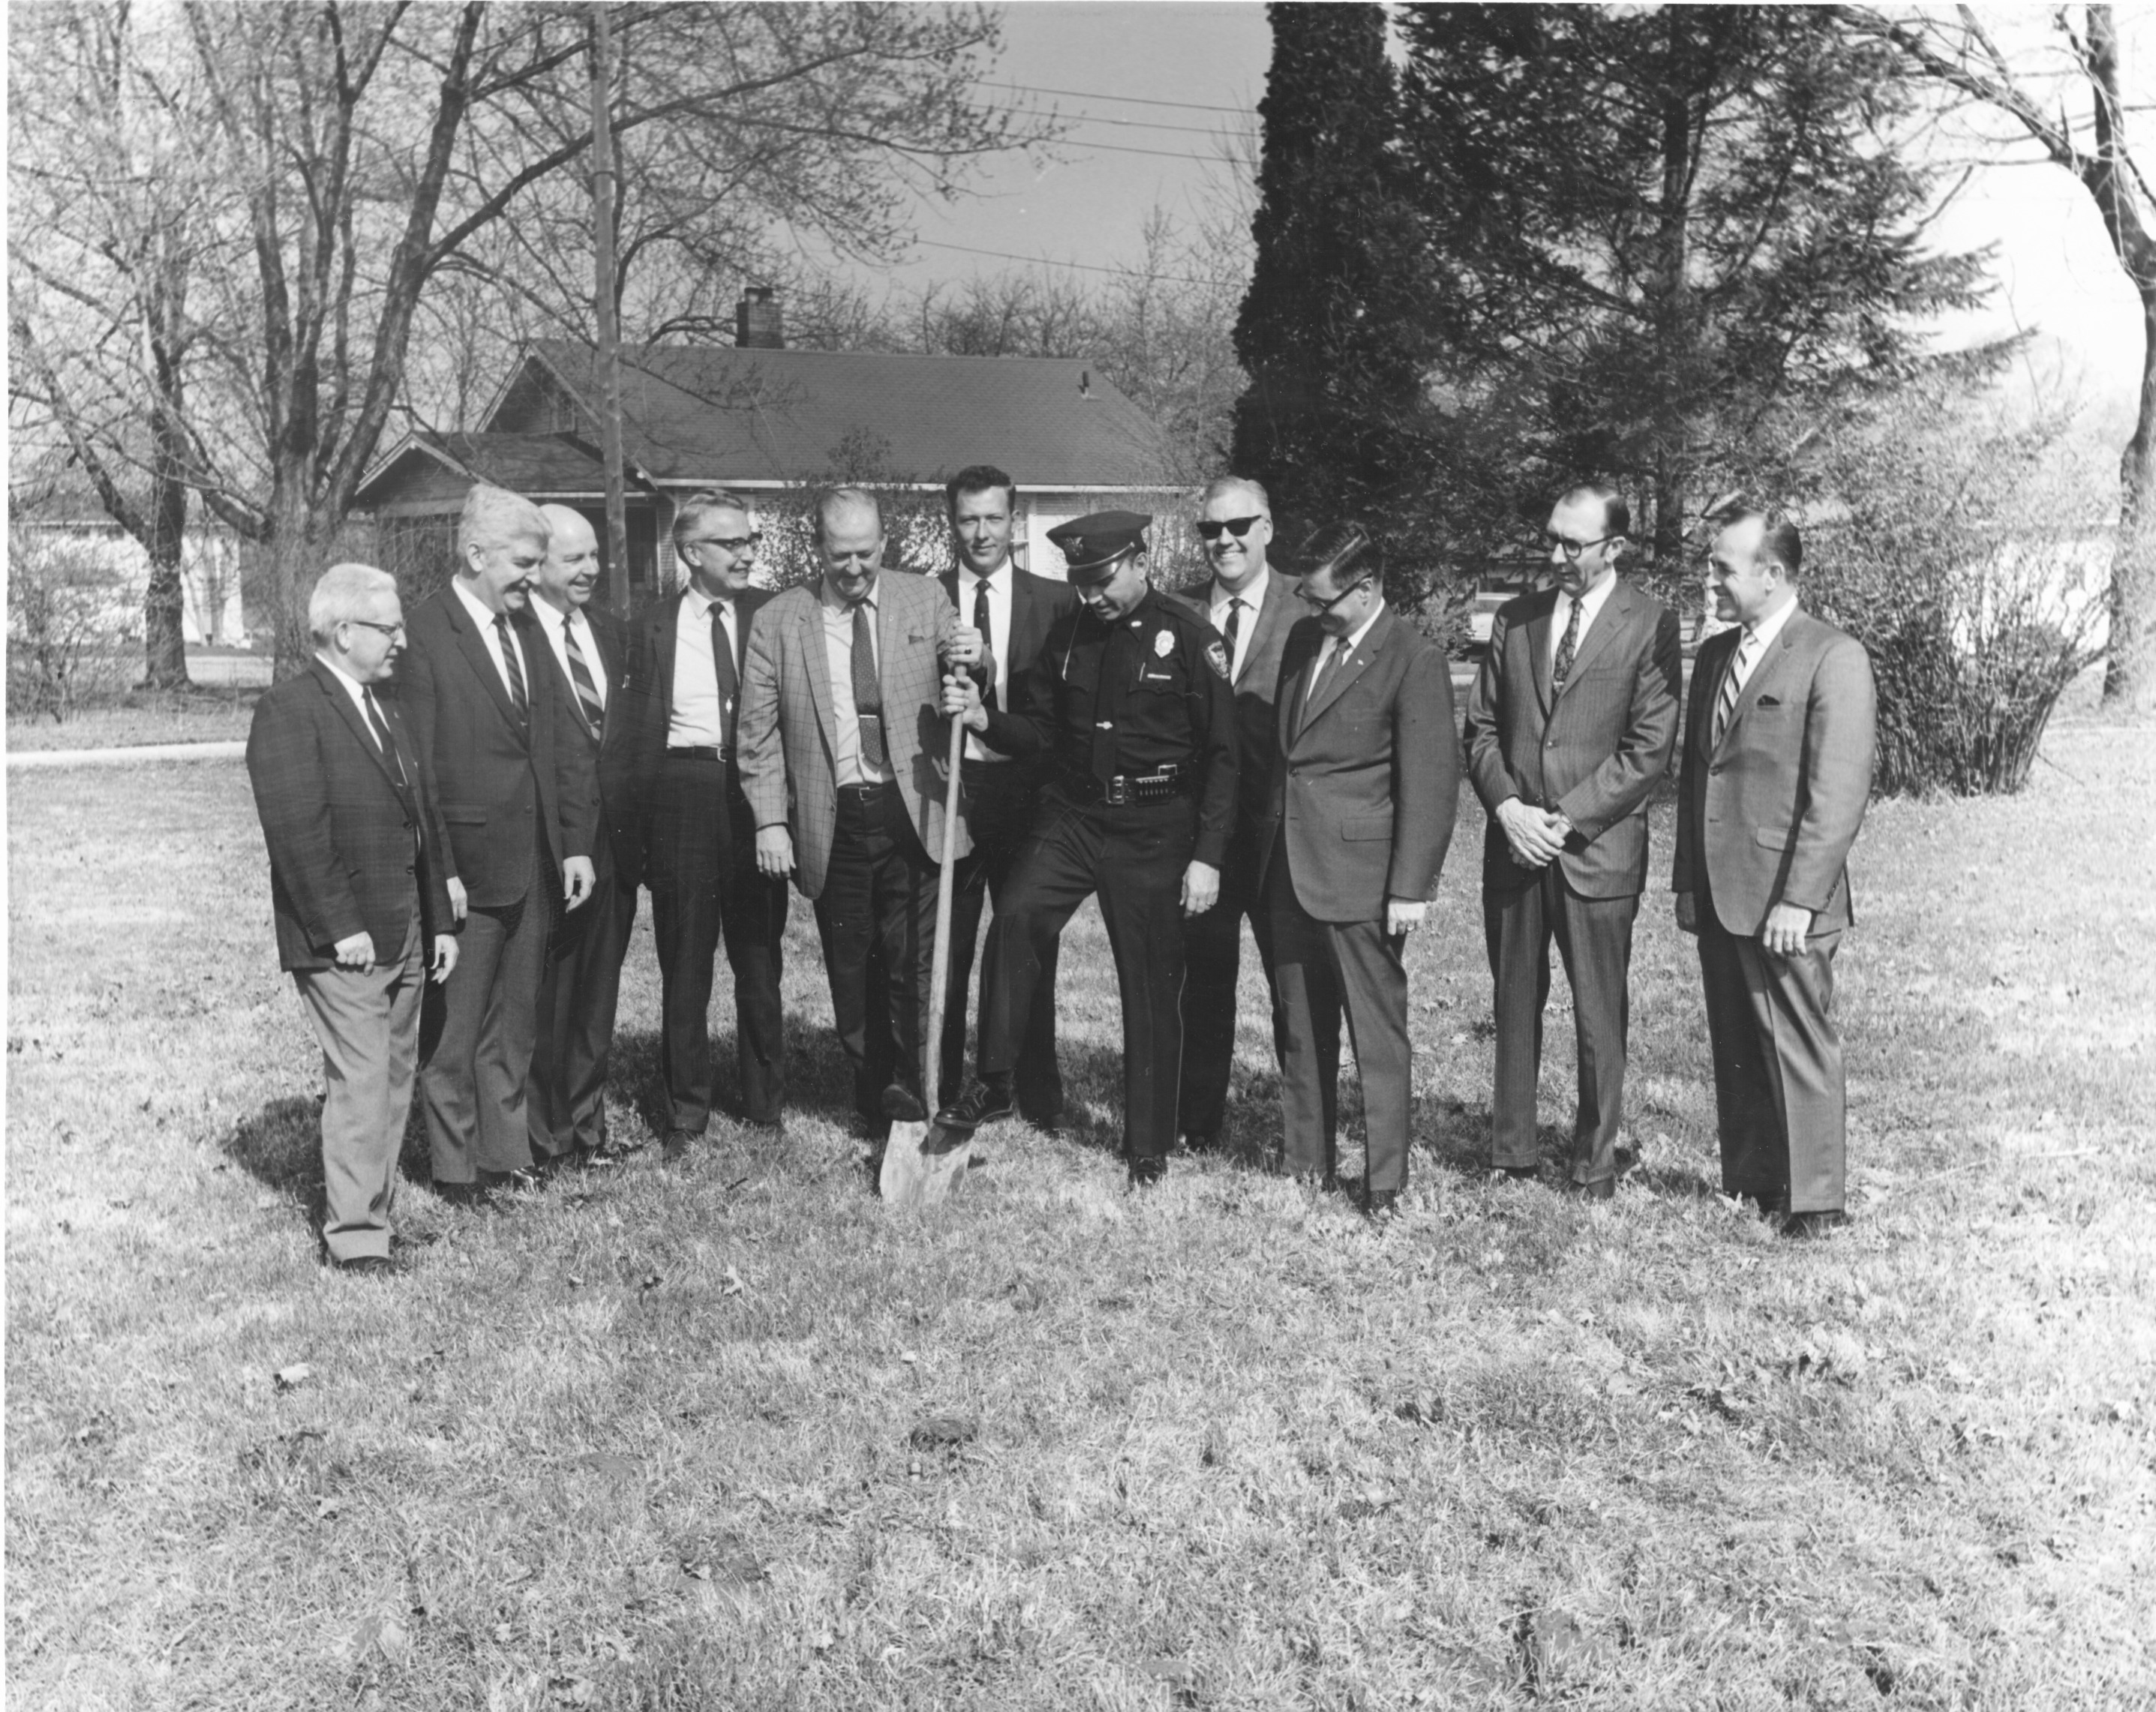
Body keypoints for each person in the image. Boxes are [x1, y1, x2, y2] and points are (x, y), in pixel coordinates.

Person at [938, 511, 1238, 1188]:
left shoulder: (1190, 637)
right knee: (1016, 914)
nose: (1092, 595)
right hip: (1075, 814)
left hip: (1155, 826)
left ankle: (1147, 1145)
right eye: (1081, 582)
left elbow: (1224, 755)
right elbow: (1040, 733)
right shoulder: (1069, 633)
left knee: (1148, 981)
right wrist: (985, 718)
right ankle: (995, 1080)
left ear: (1140, 563)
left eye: (1102, 580)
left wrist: (1209, 855)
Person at [1461, 482, 1681, 1197]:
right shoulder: (1516, 619)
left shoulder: (1651, 623)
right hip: (1515, 847)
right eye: (1551, 538)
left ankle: (1594, 1164)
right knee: (1514, 1001)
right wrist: (1509, 811)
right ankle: (1512, 1153)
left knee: (1598, 1012)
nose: (1555, 555)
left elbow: (1647, 751)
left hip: (1596, 851)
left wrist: (1564, 819)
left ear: (1614, 547)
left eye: (1572, 544)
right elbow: (1481, 729)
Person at [737, 486, 974, 1137]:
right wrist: (770, 820)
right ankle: (874, 1095)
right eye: (840, 554)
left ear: (884, 544)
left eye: (866, 553)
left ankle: (919, 1092)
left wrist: (972, 661)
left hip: (913, 808)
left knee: (913, 961)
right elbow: (756, 735)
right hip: (834, 815)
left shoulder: (924, 598)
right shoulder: (779, 621)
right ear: (818, 548)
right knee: (852, 966)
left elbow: (966, 671)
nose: (854, 568)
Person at [245, 563, 459, 1271]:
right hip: (346, 941)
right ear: (343, 632)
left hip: (404, 931)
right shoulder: (289, 710)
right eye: (388, 628)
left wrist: (439, 922)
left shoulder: (387, 705)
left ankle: (376, 1213)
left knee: (393, 1077)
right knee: (363, 1081)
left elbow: (421, 820)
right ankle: (357, 1239)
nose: (403, 640)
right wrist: (342, 927)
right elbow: (298, 833)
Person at [1674, 504, 1875, 1238]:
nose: (1710, 581)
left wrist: (1800, 898)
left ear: (1774, 574)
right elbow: (1699, 776)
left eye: (1722, 568)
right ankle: (1757, 1182)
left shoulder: (1833, 656)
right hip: (1722, 890)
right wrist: (1688, 881)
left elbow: (1838, 793)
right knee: (1738, 1039)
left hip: (1789, 898)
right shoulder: (1715, 657)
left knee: (1797, 1040)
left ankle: (1815, 1201)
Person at [400, 485, 597, 1205]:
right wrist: (442, 871)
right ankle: (455, 1171)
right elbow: (418, 771)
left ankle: (505, 1156)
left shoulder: (528, 630)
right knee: (454, 1033)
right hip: (467, 871)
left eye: (540, 563)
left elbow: (560, 743)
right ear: (477, 554)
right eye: (523, 563)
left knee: (514, 1025)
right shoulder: (424, 634)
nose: (534, 578)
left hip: (534, 863)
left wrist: (573, 844)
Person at [1260, 523, 1458, 1217]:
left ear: (1367, 589)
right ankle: (1305, 1165)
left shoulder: (1414, 658)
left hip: (1363, 881)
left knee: (1376, 1036)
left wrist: (1409, 889)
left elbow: (1430, 784)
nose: (1313, 612)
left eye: (1324, 601)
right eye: (1308, 600)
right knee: (1300, 1027)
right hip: (1290, 870)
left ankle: (1383, 1183)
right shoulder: (1302, 641)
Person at [614, 491, 790, 1158]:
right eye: (731, 543)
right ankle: (686, 1113)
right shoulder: (649, 627)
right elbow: (631, 734)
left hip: (754, 793)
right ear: (691, 553)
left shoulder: (773, 613)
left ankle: (765, 1105)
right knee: (685, 959)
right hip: (682, 794)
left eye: (751, 541)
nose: (747, 553)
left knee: (759, 957)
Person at [934, 464, 1077, 1127]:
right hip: (954, 792)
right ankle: (944, 1085)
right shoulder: (928, 598)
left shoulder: (1058, 601)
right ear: (951, 523)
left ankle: (1036, 1088)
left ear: (1014, 520)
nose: (982, 532)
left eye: (994, 517)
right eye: (968, 519)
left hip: (1028, 795)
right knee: (951, 946)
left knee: (1027, 942)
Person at [1170, 476, 1301, 1153]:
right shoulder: (1176, 611)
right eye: (1210, 529)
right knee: (1202, 984)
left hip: (1285, 838)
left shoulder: (1309, 609)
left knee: (1295, 989)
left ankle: (1306, 1132)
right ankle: (1197, 1123)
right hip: (1203, 842)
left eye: (1238, 526)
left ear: (1267, 529)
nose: (1223, 540)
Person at [520, 505, 638, 1170]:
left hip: (612, 844)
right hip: (549, 849)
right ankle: (544, 1135)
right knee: (551, 996)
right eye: (574, 559)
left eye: (595, 555)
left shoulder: (611, 633)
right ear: (537, 565)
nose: (592, 569)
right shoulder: (516, 639)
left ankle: (588, 1130)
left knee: (598, 994)